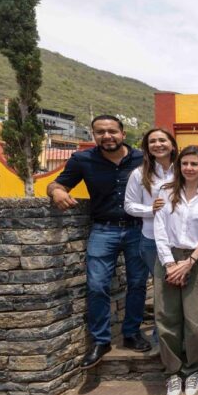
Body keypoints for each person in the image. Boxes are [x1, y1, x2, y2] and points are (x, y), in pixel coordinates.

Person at [47, 115, 151, 369]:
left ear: (122, 134)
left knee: (138, 283)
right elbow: (56, 184)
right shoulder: (82, 160)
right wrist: (57, 191)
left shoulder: (143, 159)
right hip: (103, 230)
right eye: (100, 132)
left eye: (112, 131)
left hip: (138, 229)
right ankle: (101, 341)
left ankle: (131, 332)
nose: (107, 136)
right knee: (96, 285)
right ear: (93, 135)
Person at [153, 146, 198, 395]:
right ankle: (172, 372)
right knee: (166, 316)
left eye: (194, 164)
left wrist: (190, 262)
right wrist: (170, 264)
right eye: (185, 164)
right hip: (167, 257)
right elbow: (159, 228)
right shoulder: (166, 192)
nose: (189, 168)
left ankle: (193, 370)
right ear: (179, 166)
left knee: (195, 318)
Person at [124, 127, 178, 352]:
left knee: (173, 288)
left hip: (180, 239)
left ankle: (172, 334)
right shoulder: (139, 174)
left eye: (162, 140)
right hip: (152, 239)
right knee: (155, 287)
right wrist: (150, 209)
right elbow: (129, 205)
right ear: (147, 147)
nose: (158, 144)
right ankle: (154, 336)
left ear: (172, 144)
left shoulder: (183, 168)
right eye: (152, 141)